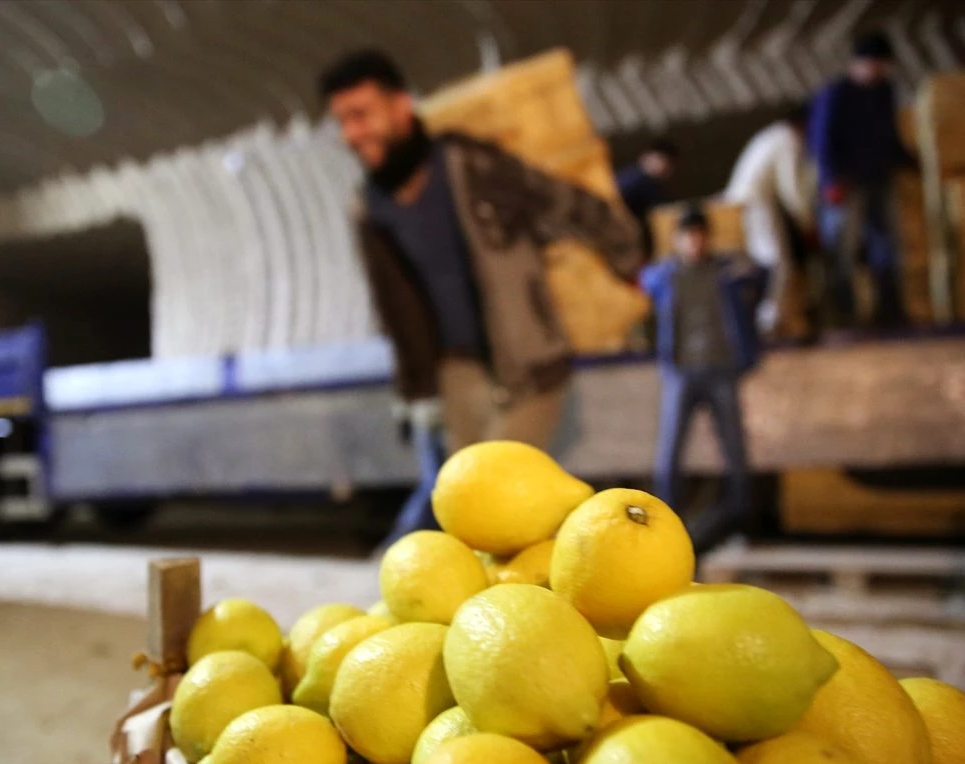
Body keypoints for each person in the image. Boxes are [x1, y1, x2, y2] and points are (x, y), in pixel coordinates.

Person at [319, 50, 642, 537]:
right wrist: (414, 389)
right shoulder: (368, 208)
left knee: (500, 500)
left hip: (527, 363)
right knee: (469, 518)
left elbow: (559, 202)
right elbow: (393, 306)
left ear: (401, 105)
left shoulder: (469, 165)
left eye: (360, 115)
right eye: (341, 122)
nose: (351, 134)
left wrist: (629, 258)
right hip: (455, 377)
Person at [639, 208, 767, 553]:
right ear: (678, 240)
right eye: (688, 235)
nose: (694, 242)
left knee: (735, 447)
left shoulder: (725, 271)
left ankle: (744, 520)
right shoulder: (668, 275)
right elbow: (642, 281)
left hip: (721, 368)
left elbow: (760, 275)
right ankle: (665, 526)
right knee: (669, 450)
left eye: (699, 235)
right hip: (682, 371)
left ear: (707, 238)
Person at [809, 31, 917, 329]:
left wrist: (910, 161)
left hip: (879, 178)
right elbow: (821, 142)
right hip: (845, 185)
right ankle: (844, 316)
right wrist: (831, 181)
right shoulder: (836, 94)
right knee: (843, 249)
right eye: (876, 64)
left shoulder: (884, 92)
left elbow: (889, 135)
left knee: (887, 245)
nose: (880, 71)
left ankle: (890, 310)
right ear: (861, 63)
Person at [723, 104, 816, 339]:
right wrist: (806, 220)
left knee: (759, 263)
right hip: (756, 205)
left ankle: (759, 318)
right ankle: (768, 322)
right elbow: (791, 187)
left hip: (745, 203)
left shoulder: (771, 135)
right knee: (777, 263)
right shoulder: (788, 139)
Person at [617, 138, 680, 256]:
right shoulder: (641, 181)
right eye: (664, 162)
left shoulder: (629, 175)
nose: (667, 169)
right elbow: (662, 212)